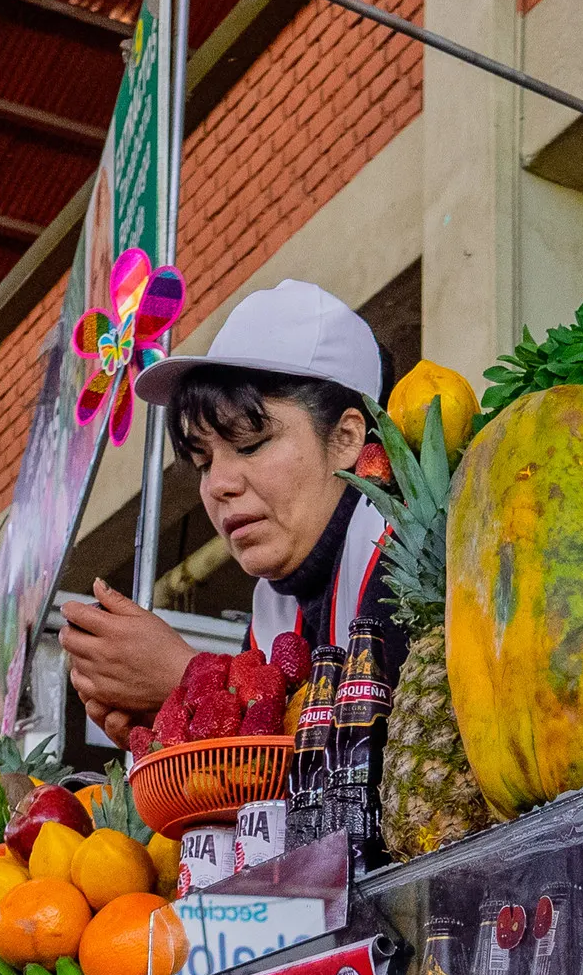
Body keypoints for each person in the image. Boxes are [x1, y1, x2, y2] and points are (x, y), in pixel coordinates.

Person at [59, 281, 404, 740]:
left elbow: (374, 764)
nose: (219, 484)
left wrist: (191, 679)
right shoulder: (275, 601)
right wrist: (182, 722)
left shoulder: (410, 555)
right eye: (203, 462)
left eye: (250, 444)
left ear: (346, 438)